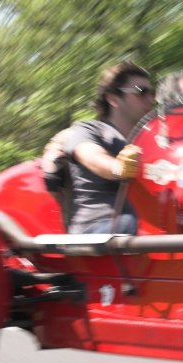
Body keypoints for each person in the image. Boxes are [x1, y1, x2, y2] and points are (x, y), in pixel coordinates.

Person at [47, 61, 155, 234]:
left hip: (141, 233)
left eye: (152, 92)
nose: (151, 99)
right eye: (141, 92)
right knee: (129, 221)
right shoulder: (89, 130)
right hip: (97, 232)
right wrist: (118, 167)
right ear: (113, 98)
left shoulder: (153, 139)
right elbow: (90, 155)